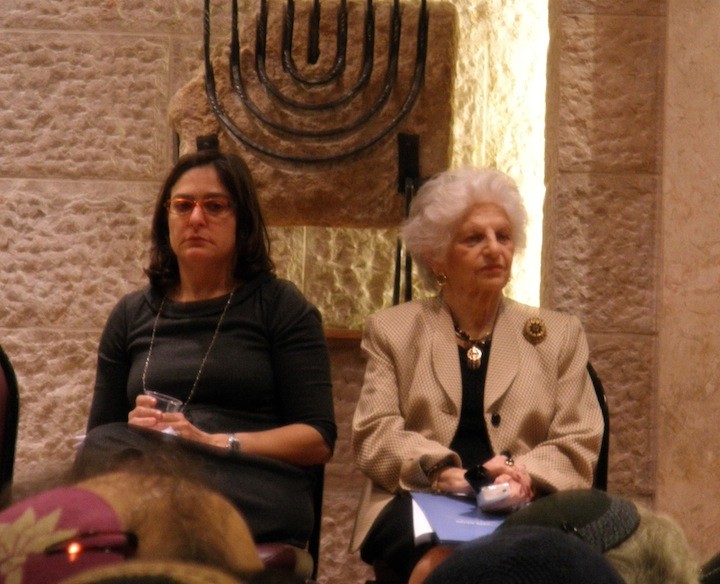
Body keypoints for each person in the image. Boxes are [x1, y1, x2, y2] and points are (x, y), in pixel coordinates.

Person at [349, 168, 604, 583]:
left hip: (530, 501)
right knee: (442, 562)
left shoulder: (559, 334)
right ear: (437, 255)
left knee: (523, 560)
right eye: (474, 238)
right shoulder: (392, 330)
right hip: (422, 495)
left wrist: (522, 476)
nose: (494, 249)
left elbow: (578, 437)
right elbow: (375, 433)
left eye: (503, 236)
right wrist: (441, 471)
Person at [74, 147, 336, 549]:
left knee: (136, 505)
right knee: (102, 445)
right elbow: (101, 436)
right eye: (183, 206)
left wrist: (215, 441)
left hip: (246, 482)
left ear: (242, 222)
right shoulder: (131, 314)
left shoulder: (281, 306)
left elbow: (316, 439)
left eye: (215, 206)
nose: (196, 219)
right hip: (157, 469)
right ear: (166, 219)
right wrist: (136, 425)